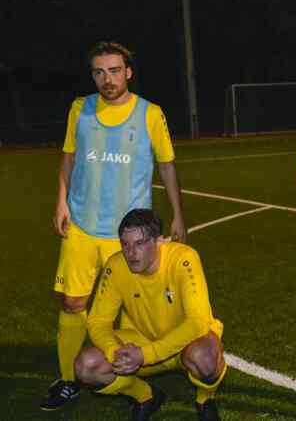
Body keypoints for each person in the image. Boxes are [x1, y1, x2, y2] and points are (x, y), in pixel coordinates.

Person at [41, 42, 187, 411]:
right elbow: (68, 157)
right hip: (82, 226)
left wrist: (178, 213)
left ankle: (128, 379)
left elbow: (167, 164)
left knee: (129, 313)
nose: (108, 79)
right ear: (93, 75)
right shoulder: (81, 109)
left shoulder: (150, 114)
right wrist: (60, 201)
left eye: (115, 70)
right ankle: (68, 379)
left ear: (129, 72)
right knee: (73, 302)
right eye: (100, 72)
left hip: (129, 238)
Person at [74, 209, 226, 421]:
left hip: (185, 344)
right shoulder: (116, 266)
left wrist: (145, 355)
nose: (130, 253)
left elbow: (197, 322)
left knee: (205, 358)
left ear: (158, 242)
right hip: (141, 341)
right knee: (86, 365)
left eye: (139, 243)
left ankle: (205, 399)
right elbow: (98, 321)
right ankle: (146, 396)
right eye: (125, 244)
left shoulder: (183, 259)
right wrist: (114, 350)